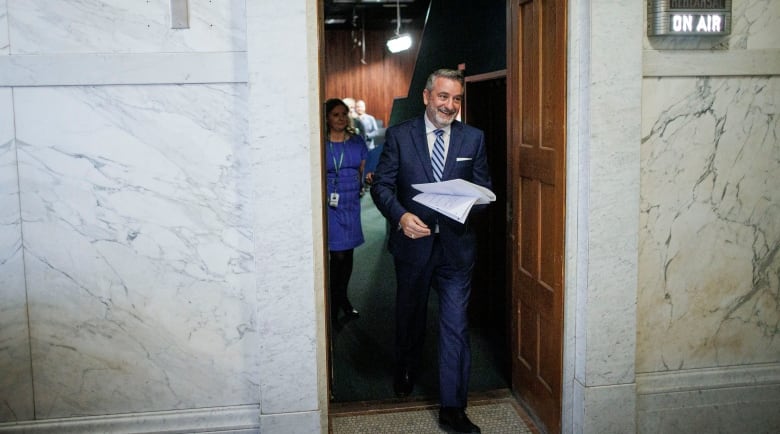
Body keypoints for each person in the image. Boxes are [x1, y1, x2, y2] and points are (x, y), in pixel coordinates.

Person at [370, 69, 491, 434]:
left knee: (455, 325)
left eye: (456, 99)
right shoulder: (399, 136)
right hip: (413, 245)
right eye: (443, 97)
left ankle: (453, 408)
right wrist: (401, 216)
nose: (450, 106)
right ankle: (405, 366)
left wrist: (470, 202)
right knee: (410, 314)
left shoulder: (474, 139)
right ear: (426, 97)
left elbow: (484, 190)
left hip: (455, 249)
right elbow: (383, 187)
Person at [324, 98, 368, 330]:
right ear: (327, 118)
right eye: (335, 115)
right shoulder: (321, 143)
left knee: (348, 254)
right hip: (330, 203)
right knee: (337, 255)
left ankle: (342, 297)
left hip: (351, 201)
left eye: (344, 114)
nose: (341, 118)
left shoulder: (357, 141)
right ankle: (333, 302)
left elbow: (363, 168)